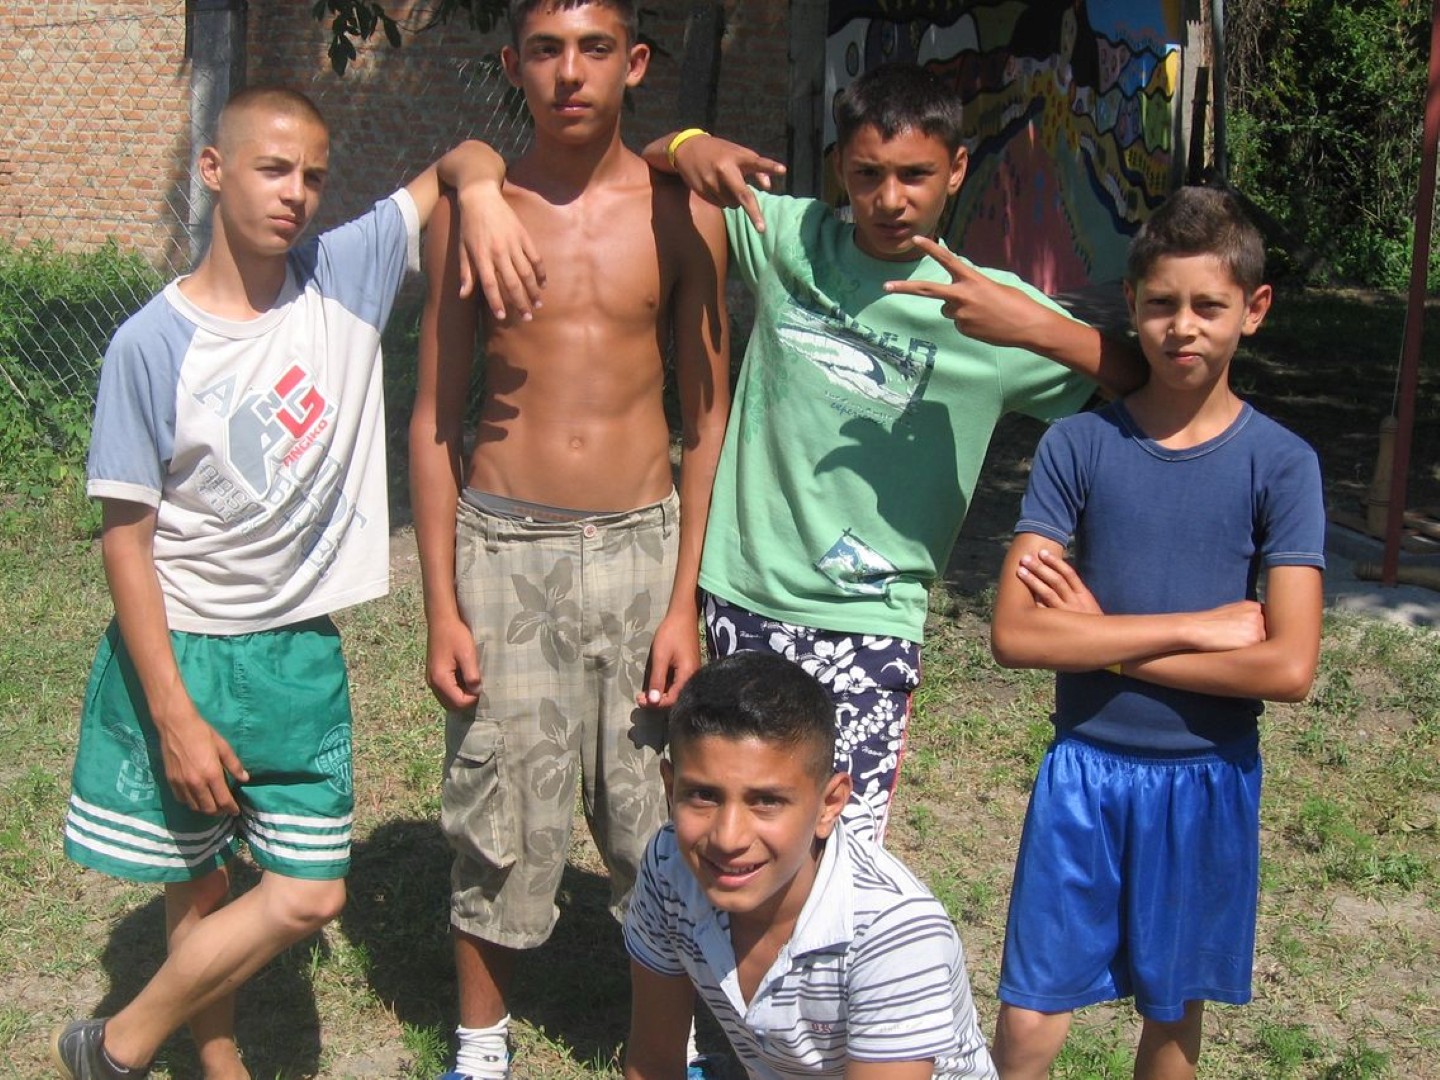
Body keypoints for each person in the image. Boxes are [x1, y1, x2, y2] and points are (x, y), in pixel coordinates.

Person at [51, 87, 540, 1080]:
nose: (296, 194)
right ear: (213, 170)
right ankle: (219, 1066)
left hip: (299, 651)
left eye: (313, 176)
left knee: (310, 894)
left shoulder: (344, 274)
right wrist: (174, 715)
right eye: (273, 169)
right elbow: (125, 543)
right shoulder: (150, 343)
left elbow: (462, 156)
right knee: (199, 888)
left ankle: (116, 1044)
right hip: (186, 648)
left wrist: (485, 192)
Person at [643, 62, 1145, 841]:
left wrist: (1033, 327)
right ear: (839, 167)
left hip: (872, 620)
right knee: (741, 832)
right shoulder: (791, 238)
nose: (890, 198)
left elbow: (1141, 378)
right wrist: (687, 143)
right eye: (868, 174)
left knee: (840, 845)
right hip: (745, 595)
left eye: (915, 175)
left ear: (957, 169)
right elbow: (654, 163)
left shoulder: (986, 305)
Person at [408, 1, 731, 1076]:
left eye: (594, 49)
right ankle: (481, 1043)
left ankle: (671, 1043)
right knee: (495, 798)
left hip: (643, 547)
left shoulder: (683, 214)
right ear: (514, 64)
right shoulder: (476, 212)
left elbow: (706, 420)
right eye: (546, 50)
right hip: (508, 547)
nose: (570, 74)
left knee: (658, 802)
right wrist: (441, 607)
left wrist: (684, 600)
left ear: (633, 63)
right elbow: (432, 420)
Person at [987, 185, 1325, 1080]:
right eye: (1162, 304)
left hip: (1207, 777)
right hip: (1084, 772)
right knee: (1030, 1012)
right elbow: (1016, 635)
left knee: (1173, 1014)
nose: (1183, 327)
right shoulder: (1077, 446)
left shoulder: (1282, 465)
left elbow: (1287, 667)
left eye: (1209, 306)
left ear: (1254, 309)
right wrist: (1197, 630)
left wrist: (1103, 638)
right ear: (1131, 304)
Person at [622, 650, 998, 1079]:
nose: (728, 838)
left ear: (829, 804)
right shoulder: (671, 866)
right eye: (704, 796)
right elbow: (652, 1063)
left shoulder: (892, 932)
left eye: (766, 801)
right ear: (670, 788)